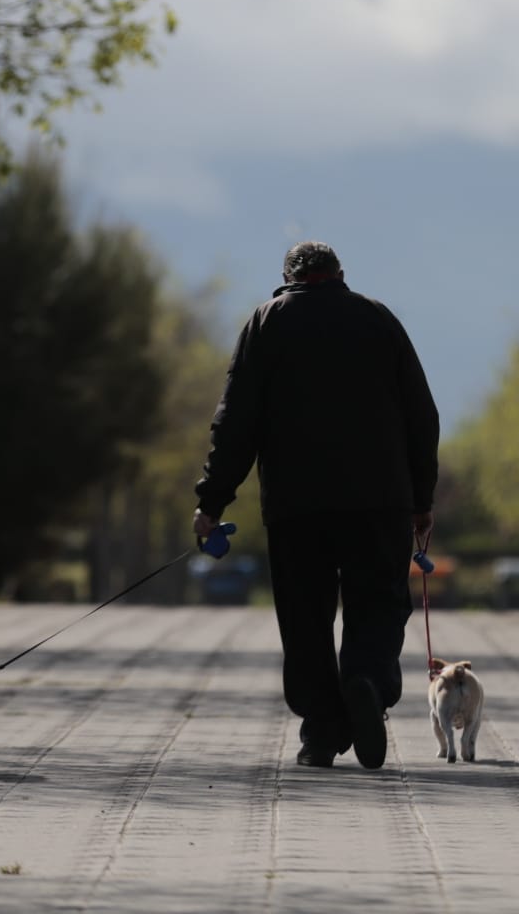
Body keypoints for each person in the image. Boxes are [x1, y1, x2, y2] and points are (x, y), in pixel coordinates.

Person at [193, 241, 439, 769]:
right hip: (379, 501)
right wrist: (422, 500)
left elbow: (235, 420)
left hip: (296, 505)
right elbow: (422, 415)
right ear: (340, 274)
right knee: (377, 600)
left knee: (305, 616)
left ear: (287, 278)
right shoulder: (378, 320)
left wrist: (212, 499)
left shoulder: (267, 323)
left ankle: (321, 732)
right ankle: (366, 681)